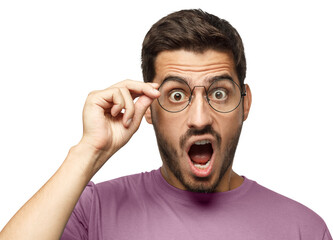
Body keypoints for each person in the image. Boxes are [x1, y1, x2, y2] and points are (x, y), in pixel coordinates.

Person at [0, 9, 331, 240]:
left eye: (219, 93)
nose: (200, 119)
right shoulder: (93, 210)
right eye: (175, 95)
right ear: (147, 108)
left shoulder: (303, 229)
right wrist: (88, 151)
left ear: (245, 102)